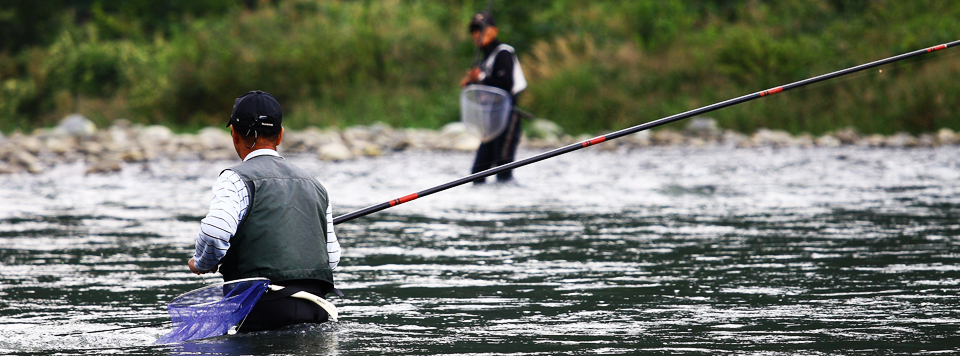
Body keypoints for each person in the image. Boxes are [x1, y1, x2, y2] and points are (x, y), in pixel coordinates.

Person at [187, 90, 342, 332]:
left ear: (234, 135)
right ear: (279, 136)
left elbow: (215, 231)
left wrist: (202, 262)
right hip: (316, 309)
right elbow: (331, 260)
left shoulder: (235, 179)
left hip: (261, 309)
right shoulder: (316, 185)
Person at [460, 11, 527, 184]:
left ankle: (506, 204)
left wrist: (480, 78)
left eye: (481, 29)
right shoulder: (486, 59)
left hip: (508, 118)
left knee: (503, 170)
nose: (477, 34)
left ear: (494, 31)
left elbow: (505, 84)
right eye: (474, 30)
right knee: (477, 173)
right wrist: (471, 83)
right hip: (491, 121)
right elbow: (487, 86)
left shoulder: (504, 52)